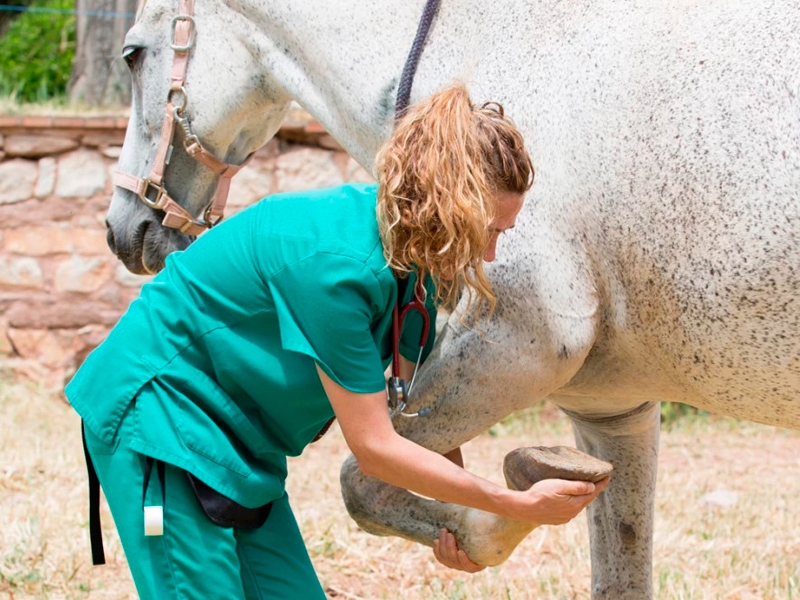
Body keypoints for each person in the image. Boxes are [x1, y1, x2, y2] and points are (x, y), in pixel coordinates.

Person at [67, 83, 609, 599]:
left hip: (241, 447)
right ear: (450, 209)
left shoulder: (416, 261)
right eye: (488, 231)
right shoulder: (333, 268)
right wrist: (511, 503)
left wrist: (454, 520)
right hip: (160, 420)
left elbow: (411, 408)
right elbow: (375, 448)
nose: (490, 254)